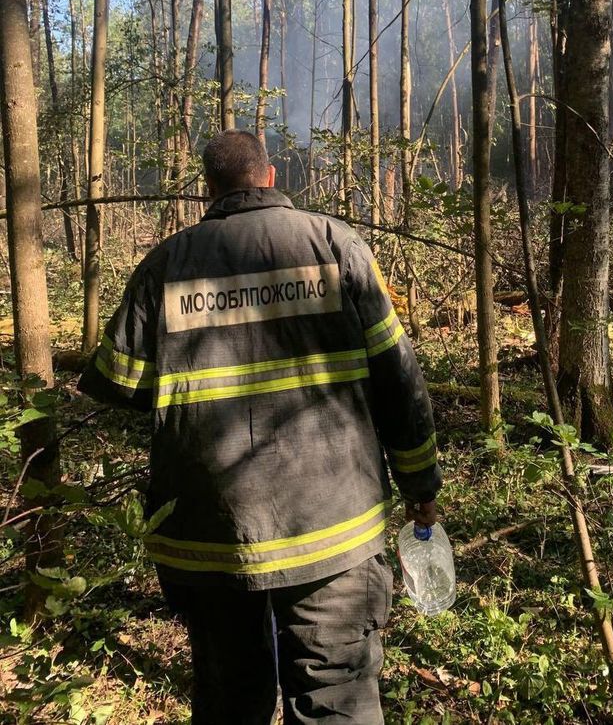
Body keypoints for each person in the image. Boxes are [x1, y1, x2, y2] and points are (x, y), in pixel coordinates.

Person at [78, 129, 442, 725]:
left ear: (210, 189)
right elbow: (398, 380)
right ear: (271, 177)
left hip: (209, 536)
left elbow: (124, 384)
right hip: (335, 527)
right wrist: (420, 487)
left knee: (230, 697)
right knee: (337, 698)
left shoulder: (166, 264)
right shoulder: (335, 245)